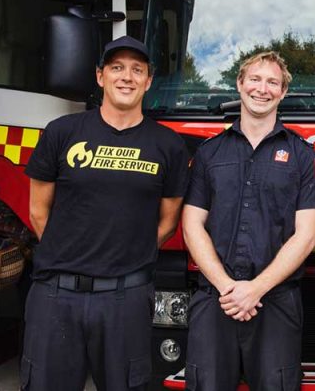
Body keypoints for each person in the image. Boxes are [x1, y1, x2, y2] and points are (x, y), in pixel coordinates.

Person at [21, 36, 189, 391]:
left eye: (136, 70)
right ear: (100, 77)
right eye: (116, 68)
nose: (126, 77)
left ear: (148, 81)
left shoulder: (168, 145)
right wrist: (72, 252)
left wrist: (124, 256)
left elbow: (169, 220)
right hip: (56, 295)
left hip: (125, 299)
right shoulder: (62, 132)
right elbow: (38, 211)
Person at [181, 51, 315, 391]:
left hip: (275, 301)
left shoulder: (303, 155)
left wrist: (255, 289)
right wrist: (229, 288)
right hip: (216, 298)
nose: (263, 89)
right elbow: (191, 223)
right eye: (255, 79)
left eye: (273, 82)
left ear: (283, 92)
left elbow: (306, 236)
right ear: (240, 84)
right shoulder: (209, 152)